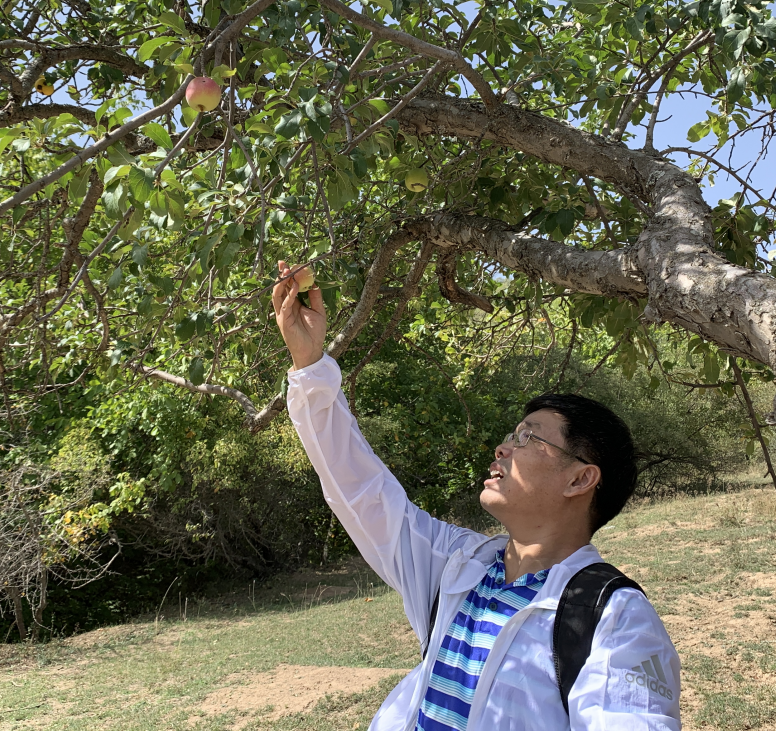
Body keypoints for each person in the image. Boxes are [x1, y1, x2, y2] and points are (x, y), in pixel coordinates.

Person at [273, 262, 681, 731]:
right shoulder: (457, 565)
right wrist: (311, 365)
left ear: (579, 480)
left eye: (528, 438)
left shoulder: (613, 619)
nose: (503, 447)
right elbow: (361, 489)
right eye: (511, 434)